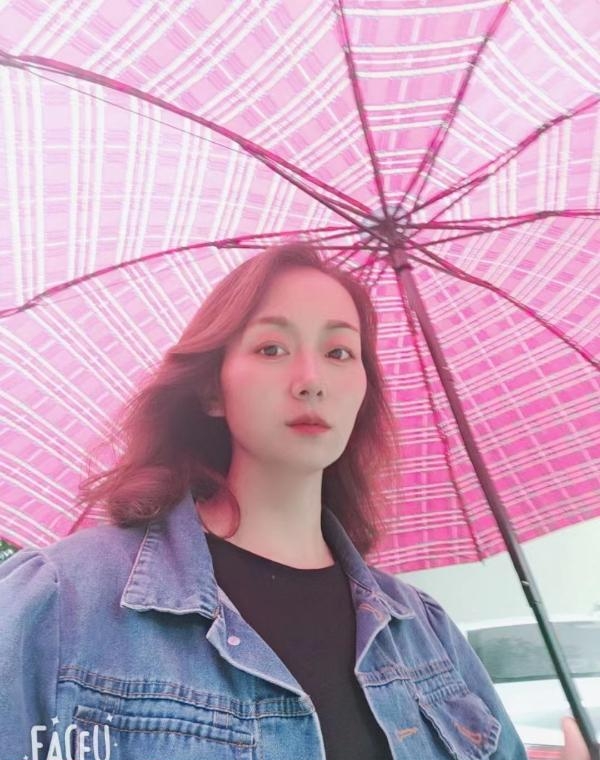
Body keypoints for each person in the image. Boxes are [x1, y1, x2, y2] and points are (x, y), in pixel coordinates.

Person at [0, 242, 590, 760]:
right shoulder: (60, 604)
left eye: (340, 353)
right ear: (211, 390)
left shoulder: (425, 632)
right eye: (272, 349)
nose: (312, 379)